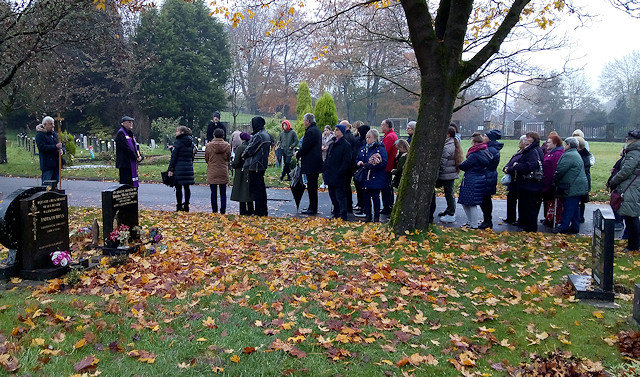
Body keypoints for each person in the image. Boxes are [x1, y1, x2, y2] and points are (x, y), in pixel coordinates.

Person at [608, 130, 640, 252]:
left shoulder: (634, 152)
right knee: (631, 216)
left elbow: (626, 171)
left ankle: (633, 245)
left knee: (631, 216)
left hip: (631, 187)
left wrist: (613, 181)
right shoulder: (634, 152)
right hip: (633, 186)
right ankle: (634, 243)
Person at [505, 131, 543, 232]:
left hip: (530, 182)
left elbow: (530, 166)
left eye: (528, 138)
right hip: (528, 183)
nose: (526, 139)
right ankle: (526, 224)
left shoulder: (532, 151)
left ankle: (530, 227)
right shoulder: (533, 150)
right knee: (526, 204)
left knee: (530, 205)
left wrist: (517, 166)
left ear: (533, 139)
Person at [552, 137, 589, 234]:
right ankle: (575, 227)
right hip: (578, 185)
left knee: (569, 207)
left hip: (572, 186)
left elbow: (561, 170)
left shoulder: (569, 155)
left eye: (565, 144)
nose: (564, 146)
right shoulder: (575, 154)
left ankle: (563, 227)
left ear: (568, 145)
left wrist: (555, 179)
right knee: (575, 207)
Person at [458, 133, 492, 229]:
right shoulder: (485, 151)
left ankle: (472, 223)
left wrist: (459, 163)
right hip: (479, 178)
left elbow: (464, 165)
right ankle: (471, 222)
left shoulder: (475, 154)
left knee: (470, 202)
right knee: (469, 202)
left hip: (471, 178)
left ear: (474, 142)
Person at [356, 129, 388, 222]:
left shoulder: (380, 149)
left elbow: (384, 163)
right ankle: (368, 215)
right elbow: (358, 158)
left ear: (375, 138)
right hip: (365, 176)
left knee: (375, 197)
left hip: (375, 176)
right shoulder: (364, 148)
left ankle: (376, 217)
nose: (367, 139)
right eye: (366, 137)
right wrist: (359, 162)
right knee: (366, 198)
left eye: (369, 137)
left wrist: (371, 165)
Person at [242, 116, 271, 216]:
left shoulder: (259, 136)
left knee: (256, 190)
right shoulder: (266, 135)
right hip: (262, 164)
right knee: (261, 189)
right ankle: (263, 209)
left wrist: (243, 155)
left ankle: (258, 211)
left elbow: (250, 149)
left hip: (255, 165)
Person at [295, 113, 323, 215]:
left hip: (311, 162)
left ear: (308, 121)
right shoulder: (316, 130)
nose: (303, 123)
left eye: (304, 121)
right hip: (314, 162)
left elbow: (306, 146)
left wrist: (298, 154)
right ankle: (312, 206)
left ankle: (312, 208)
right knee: (312, 186)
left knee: (311, 186)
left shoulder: (311, 131)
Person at [323, 124, 352, 220]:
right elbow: (328, 158)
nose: (335, 131)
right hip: (330, 173)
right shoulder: (332, 144)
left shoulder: (346, 145)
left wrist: (340, 172)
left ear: (342, 132)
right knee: (332, 195)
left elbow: (347, 161)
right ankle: (336, 212)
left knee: (340, 195)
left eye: (337, 130)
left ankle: (343, 214)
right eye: (335, 130)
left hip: (339, 175)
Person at [436, 125, 464, 223]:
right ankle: (449, 210)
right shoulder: (453, 143)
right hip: (450, 173)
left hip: (447, 173)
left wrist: (437, 173)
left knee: (449, 194)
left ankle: (451, 213)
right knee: (449, 193)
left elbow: (442, 162)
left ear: (448, 134)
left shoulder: (447, 147)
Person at [479, 129, 503, 229]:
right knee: (485, 199)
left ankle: (488, 220)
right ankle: (487, 219)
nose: (483, 137)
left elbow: (484, 162)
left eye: (485, 136)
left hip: (487, 176)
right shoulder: (491, 148)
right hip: (488, 175)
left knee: (486, 200)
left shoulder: (491, 150)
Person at [168, 126, 195, 211]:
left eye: (177, 131)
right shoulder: (191, 142)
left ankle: (179, 205)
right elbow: (191, 155)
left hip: (179, 167)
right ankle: (186, 205)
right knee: (187, 187)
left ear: (182, 132)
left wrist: (170, 169)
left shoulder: (178, 142)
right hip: (188, 167)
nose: (176, 133)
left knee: (178, 188)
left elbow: (174, 157)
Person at [502, 135, 527, 225]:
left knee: (519, 200)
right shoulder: (518, 152)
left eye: (520, 142)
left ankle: (520, 219)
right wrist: (506, 168)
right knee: (511, 198)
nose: (518, 143)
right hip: (513, 180)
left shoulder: (524, 153)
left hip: (518, 180)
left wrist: (508, 169)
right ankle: (510, 217)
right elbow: (510, 162)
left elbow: (516, 166)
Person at [205, 128, 231, 214]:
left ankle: (214, 210)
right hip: (223, 170)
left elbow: (207, 158)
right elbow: (228, 158)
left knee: (213, 192)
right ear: (223, 136)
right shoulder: (227, 146)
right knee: (223, 193)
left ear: (214, 135)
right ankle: (223, 210)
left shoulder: (209, 146)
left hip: (212, 170)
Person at [540, 134, 564, 227]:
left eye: (549, 142)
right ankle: (548, 217)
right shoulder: (550, 152)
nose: (546, 144)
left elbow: (555, 169)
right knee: (547, 201)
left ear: (555, 143)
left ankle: (551, 219)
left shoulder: (557, 154)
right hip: (545, 181)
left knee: (552, 202)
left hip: (550, 182)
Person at [35, 116, 64, 188]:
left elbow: (61, 145)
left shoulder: (54, 134)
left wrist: (62, 150)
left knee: (55, 182)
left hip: (56, 163)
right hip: (47, 164)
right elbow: (42, 148)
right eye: (50, 124)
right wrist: (55, 147)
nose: (53, 126)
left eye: (53, 124)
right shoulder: (40, 135)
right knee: (46, 184)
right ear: (45, 125)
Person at [115, 115, 143, 187]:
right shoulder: (121, 133)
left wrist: (139, 156)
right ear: (123, 123)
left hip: (131, 163)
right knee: (125, 184)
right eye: (129, 122)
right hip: (125, 163)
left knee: (131, 183)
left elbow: (135, 146)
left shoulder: (130, 134)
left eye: (131, 122)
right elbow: (125, 148)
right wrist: (135, 157)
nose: (131, 124)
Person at [231, 132, 253, 215]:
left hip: (241, 171)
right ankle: (251, 210)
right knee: (249, 191)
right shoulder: (251, 147)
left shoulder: (240, 148)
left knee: (241, 191)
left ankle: (243, 211)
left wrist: (233, 165)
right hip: (250, 170)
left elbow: (236, 161)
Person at [380, 119, 398, 215]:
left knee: (386, 187)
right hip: (389, 164)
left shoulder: (389, 137)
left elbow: (384, 151)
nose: (381, 127)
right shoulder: (391, 135)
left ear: (387, 126)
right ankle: (388, 205)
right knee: (388, 187)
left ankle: (387, 206)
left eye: (382, 125)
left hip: (387, 165)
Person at [353, 124, 370, 217]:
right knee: (359, 188)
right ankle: (361, 205)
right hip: (358, 165)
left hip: (363, 168)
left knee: (363, 189)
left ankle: (364, 207)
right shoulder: (359, 141)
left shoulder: (363, 143)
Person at [341, 120, 358, 212]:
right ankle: (348, 204)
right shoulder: (351, 136)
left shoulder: (346, 137)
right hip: (351, 165)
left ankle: (347, 205)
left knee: (345, 185)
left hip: (347, 165)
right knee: (347, 185)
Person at [575, 136, 593, 223]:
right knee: (580, 201)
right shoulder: (584, 154)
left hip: (582, 181)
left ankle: (580, 217)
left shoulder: (582, 155)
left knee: (580, 201)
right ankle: (580, 217)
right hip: (585, 180)